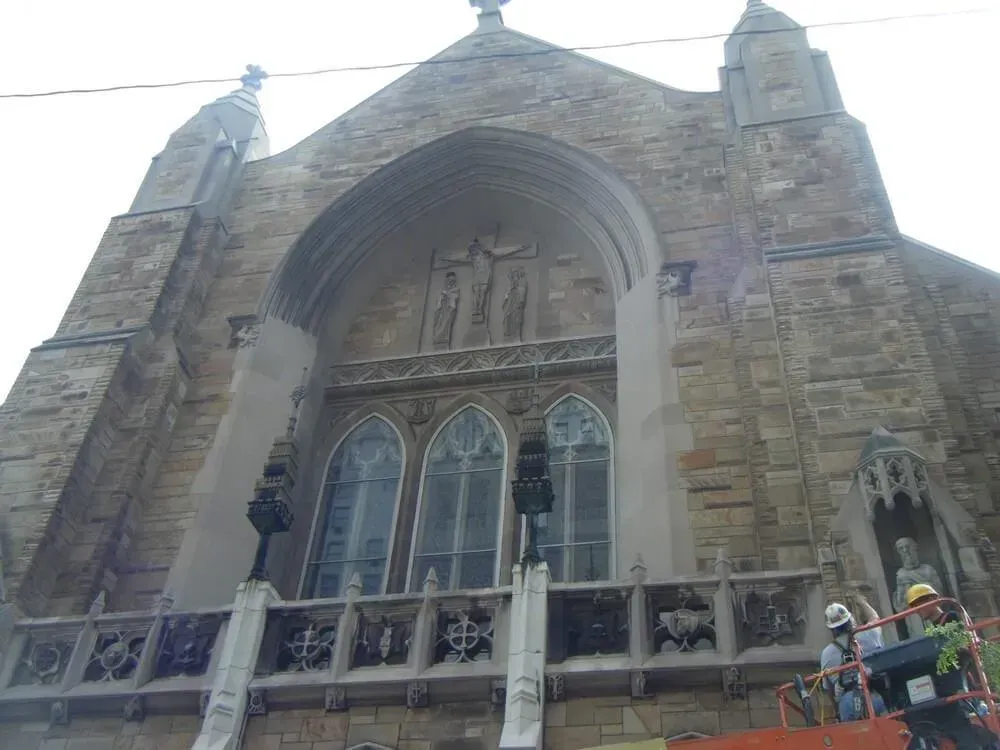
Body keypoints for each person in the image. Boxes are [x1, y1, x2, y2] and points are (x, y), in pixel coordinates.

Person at [820, 594, 888, 721]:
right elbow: (874, 618)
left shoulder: (826, 654)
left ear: (831, 629)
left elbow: (829, 689)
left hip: (846, 703)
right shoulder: (869, 635)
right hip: (874, 695)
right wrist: (861, 602)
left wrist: (838, 711)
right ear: (850, 620)